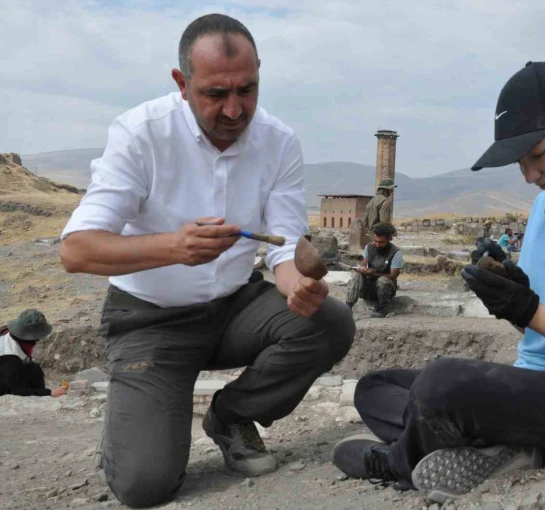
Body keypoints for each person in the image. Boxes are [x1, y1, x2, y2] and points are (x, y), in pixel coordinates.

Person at [331, 61, 545, 504]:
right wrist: (514, 295)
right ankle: (506, 446)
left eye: (538, 153)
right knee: (376, 387)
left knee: (440, 385)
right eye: (521, 161)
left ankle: (399, 462)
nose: (531, 175)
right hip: (541, 385)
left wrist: (529, 309)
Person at [59, 14, 354, 508]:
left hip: (233, 309)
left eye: (248, 89)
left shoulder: (278, 141)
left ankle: (232, 415)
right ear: (182, 82)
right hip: (150, 322)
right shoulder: (140, 135)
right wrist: (173, 247)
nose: (235, 110)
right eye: (216, 94)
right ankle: (135, 426)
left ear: (259, 71)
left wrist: (295, 284)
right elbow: (77, 249)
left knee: (329, 320)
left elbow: (283, 247)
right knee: (143, 486)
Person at [1, 309, 67, 398]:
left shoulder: (8, 333)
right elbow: (18, 390)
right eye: (36, 339)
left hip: (8, 369)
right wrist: (50, 393)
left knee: (35, 369)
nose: (37, 341)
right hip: (4, 381)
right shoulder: (9, 356)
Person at [346, 224, 403, 318]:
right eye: (375, 241)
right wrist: (363, 270)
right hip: (369, 287)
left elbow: (393, 276)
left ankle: (382, 308)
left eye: (381, 242)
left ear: (389, 239)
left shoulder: (396, 252)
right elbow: (364, 264)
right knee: (358, 277)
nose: (377, 244)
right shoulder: (369, 247)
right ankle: (348, 307)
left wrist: (373, 274)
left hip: (385, 289)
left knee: (382, 280)